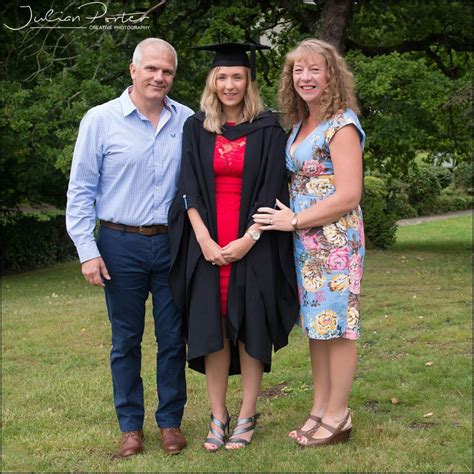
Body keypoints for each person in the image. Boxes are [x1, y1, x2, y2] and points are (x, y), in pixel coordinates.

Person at [66, 38, 193, 458]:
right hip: (119, 243)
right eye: (152, 69)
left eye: (167, 71)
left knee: (173, 338)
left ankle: (170, 422)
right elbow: (81, 189)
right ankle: (130, 428)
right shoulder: (100, 120)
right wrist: (87, 248)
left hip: (173, 243)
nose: (160, 77)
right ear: (133, 71)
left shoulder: (188, 120)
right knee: (126, 340)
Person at [168, 42, 298, 451]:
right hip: (207, 244)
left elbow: (273, 187)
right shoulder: (196, 127)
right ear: (212, 81)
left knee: (251, 327)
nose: (230, 84)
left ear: (248, 81)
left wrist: (248, 240)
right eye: (222, 77)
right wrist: (205, 240)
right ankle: (218, 414)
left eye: (237, 76)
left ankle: (246, 414)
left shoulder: (268, 128)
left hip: (253, 243)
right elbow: (187, 187)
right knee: (214, 328)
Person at [253, 38, 365, 447]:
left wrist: (294, 219)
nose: (305, 77)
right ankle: (319, 409)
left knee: (338, 328)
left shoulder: (341, 123)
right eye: (298, 70)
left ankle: (339, 415)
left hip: (334, 241)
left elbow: (349, 194)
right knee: (318, 328)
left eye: (314, 69)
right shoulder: (302, 123)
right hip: (306, 243)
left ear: (331, 74)